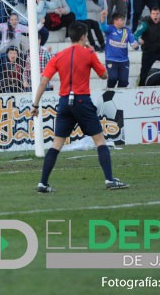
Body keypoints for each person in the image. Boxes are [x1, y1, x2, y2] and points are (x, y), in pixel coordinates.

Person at [30, 22, 128, 192]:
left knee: (56, 144)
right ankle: (109, 180)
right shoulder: (88, 53)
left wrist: (35, 105)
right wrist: (91, 53)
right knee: (99, 140)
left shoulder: (58, 56)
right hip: (82, 101)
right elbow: (104, 75)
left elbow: (44, 81)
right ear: (83, 36)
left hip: (64, 103)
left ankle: (43, 183)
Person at [99, 10, 139, 88]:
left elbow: (132, 41)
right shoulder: (110, 29)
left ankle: (119, 97)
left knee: (124, 82)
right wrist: (103, 17)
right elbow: (103, 27)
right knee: (113, 78)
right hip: (111, 59)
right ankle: (109, 93)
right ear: (115, 21)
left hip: (124, 61)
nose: (122, 21)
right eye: (120, 19)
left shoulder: (126, 31)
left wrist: (135, 45)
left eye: (123, 19)